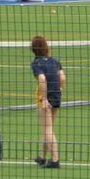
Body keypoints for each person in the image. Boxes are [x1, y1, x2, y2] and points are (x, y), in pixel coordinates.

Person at [32, 35, 65, 168]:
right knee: (49, 127)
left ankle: (55, 160)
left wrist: (45, 98)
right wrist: (60, 89)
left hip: (46, 97)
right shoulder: (55, 61)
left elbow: (42, 79)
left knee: (48, 129)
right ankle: (42, 157)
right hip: (56, 95)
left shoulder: (36, 63)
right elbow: (62, 78)